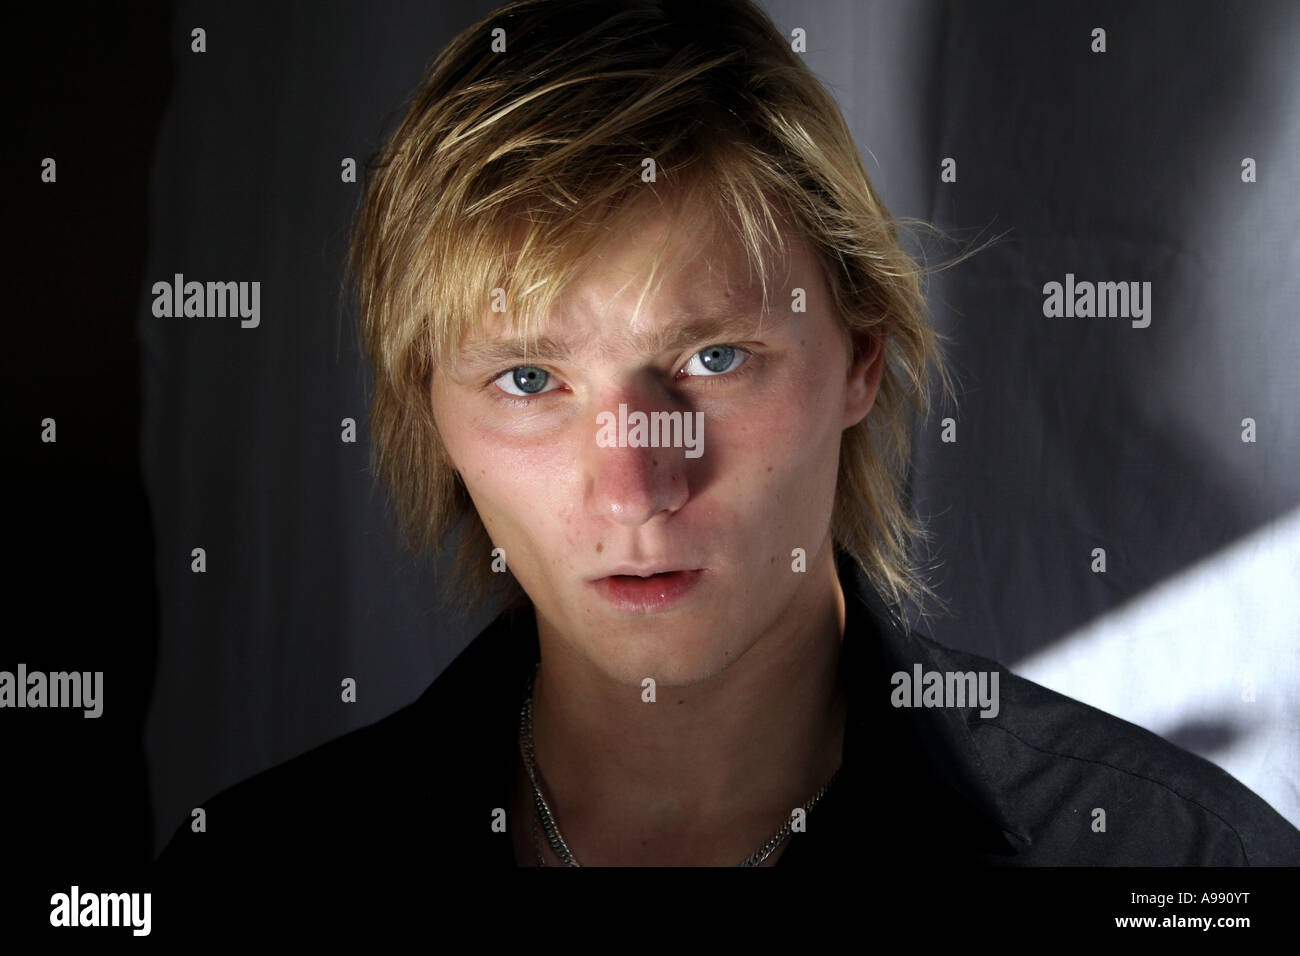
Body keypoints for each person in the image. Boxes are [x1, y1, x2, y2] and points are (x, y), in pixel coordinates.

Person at [159, 0, 1300, 869]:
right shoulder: (254, 869)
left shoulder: (1176, 861)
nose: (636, 486)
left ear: (861, 356)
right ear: (431, 414)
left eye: (714, 359)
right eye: (529, 378)